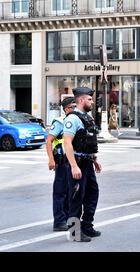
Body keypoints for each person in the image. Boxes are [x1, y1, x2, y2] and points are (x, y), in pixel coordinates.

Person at [63, 87, 102, 242]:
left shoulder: (86, 118)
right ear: (81, 100)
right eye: (90, 99)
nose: (92, 102)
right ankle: (74, 233)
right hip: (77, 163)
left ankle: (87, 227)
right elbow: (67, 143)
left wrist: (94, 159)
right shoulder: (72, 119)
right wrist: (73, 166)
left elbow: (88, 142)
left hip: (87, 162)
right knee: (76, 197)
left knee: (92, 194)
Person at [45, 97, 76, 232]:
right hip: (62, 160)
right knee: (60, 192)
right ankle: (59, 221)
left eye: (75, 106)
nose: (74, 109)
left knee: (71, 191)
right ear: (66, 109)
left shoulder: (75, 120)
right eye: (72, 107)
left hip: (72, 160)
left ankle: (68, 218)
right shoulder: (59, 121)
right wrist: (51, 159)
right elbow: (49, 141)